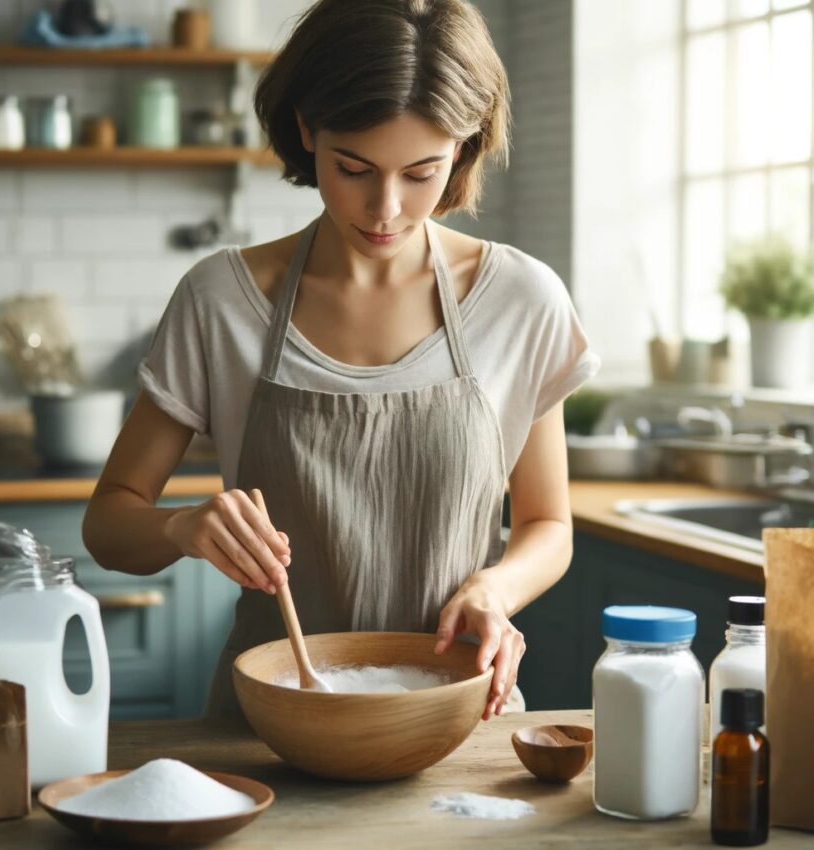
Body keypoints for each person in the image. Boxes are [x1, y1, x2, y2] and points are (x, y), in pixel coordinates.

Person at [82, 0, 599, 720]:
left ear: (465, 145)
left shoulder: (521, 299)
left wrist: (495, 590)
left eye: (422, 172)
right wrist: (181, 529)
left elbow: (549, 525)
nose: (385, 208)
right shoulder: (221, 300)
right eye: (353, 167)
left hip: (455, 723)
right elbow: (108, 523)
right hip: (269, 728)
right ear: (305, 130)